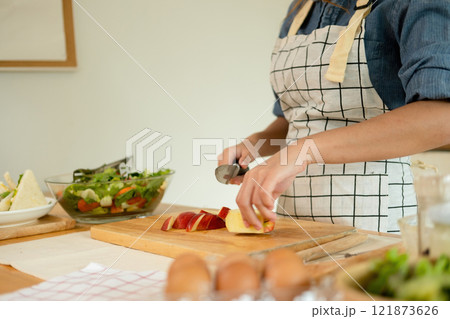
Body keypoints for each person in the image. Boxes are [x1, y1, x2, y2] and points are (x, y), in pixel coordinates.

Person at [217, 0, 450, 233]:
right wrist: (256, 143)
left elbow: (441, 117)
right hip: (292, 220)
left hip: (373, 223)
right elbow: (300, 116)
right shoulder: (299, 8)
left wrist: (304, 151)